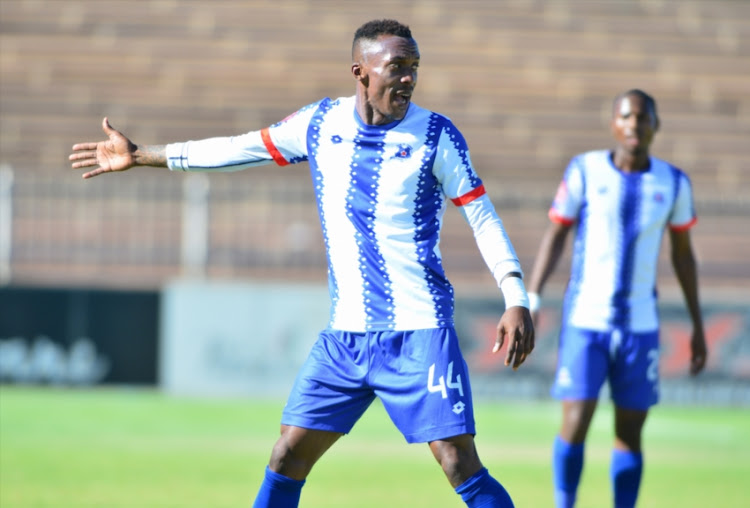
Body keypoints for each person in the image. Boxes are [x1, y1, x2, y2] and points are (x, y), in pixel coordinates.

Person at [69, 19, 535, 508]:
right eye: (397, 66)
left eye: (414, 67)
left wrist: (515, 296)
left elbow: (481, 216)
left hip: (418, 331)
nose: (408, 78)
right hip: (346, 336)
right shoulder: (320, 124)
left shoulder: (436, 135)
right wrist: (143, 155)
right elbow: (239, 148)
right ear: (361, 71)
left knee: (459, 463)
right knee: (287, 456)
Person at [525, 89, 708, 508]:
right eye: (626, 117)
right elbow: (557, 233)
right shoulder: (585, 170)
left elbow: (683, 256)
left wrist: (698, 326)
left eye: (643, 118)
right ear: (614, 124)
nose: (634, 124)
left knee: (630, 431)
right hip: (585, 319)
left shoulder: (673, 183)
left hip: (640, 325)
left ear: (655, 126)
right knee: (575, 421)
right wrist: (532, 296)